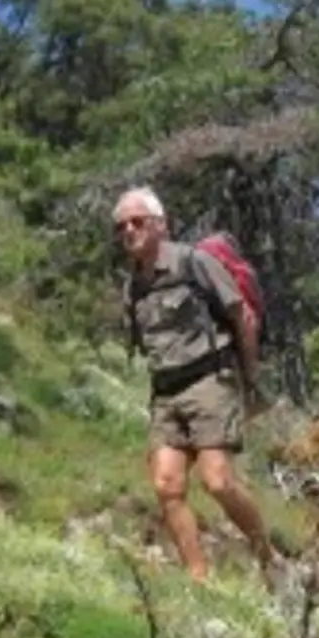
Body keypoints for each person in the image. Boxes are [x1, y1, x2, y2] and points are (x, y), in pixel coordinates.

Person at [115, 186, 278, 586]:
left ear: (160, 225)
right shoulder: (133, 285)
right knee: (166, 485)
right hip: (166, 391)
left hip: (210, 381)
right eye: (122, 226)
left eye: (138, 222)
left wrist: (249, 378)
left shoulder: (195, 262)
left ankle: (266, 555)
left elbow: (243, 318)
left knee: (217, 481)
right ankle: (198, 578)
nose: (129, 231)